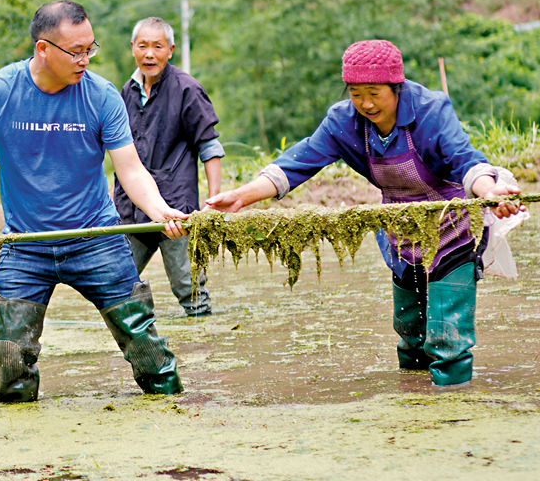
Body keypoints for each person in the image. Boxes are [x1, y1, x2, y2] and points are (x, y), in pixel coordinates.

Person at [0, 0, 188, 403]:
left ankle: (178, 415)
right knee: (10, 358)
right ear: (43, 49)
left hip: (96, 238)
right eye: (76, 51)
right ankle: (21, 450)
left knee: (146, 348)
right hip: (25, 246)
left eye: (90, 49)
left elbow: (129, 170)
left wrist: (158, 210)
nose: (85, 60)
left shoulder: (102, 96)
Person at [206, 39, 523, 387]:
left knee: (447, 338)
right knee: (410, 332)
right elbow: (299, 162)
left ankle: (452, 407)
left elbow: (467, 160)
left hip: (451, 229)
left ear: (396, 87)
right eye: (356, 94)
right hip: (400, 230)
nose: (366, 104)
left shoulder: (431, 110)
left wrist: (489, 192)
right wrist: (242, 196)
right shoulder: (344, 121)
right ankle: (413, 397)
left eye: (374, 93)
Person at [114, 17, 224, 317]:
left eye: (158, 47)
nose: (150, 54)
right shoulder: (126, 91)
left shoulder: (187, 89)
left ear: (170, 50)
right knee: (116, 284)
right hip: (132, 209)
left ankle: (204, 342)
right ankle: (139, 342)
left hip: (176, 210)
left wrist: (213, 202)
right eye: (143, 46)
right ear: (133, 49)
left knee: (189, 289)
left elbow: (209, 146)